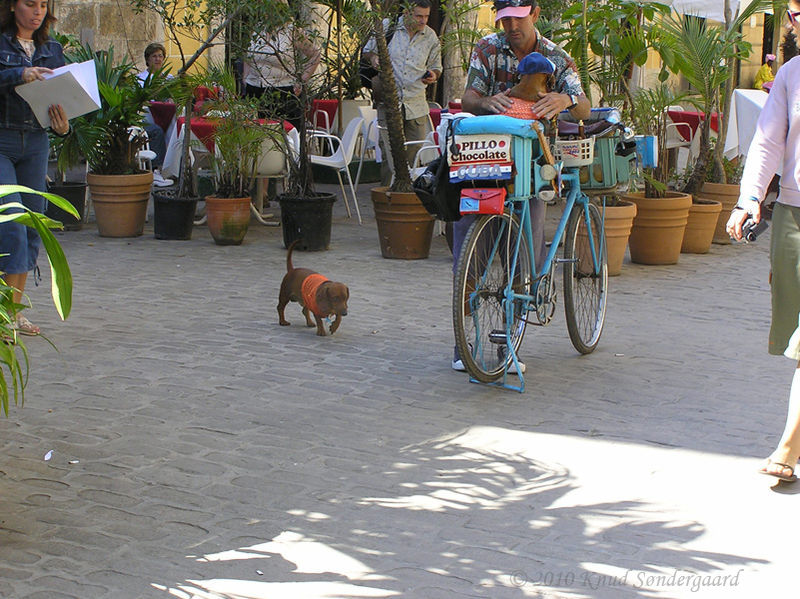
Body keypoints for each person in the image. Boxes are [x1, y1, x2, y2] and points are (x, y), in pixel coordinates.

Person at [451, 0, 590, 372]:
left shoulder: (555, 57)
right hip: (486, 162)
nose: (511, 25)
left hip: (532, 166)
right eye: (504, 19)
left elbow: (585, 108)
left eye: (517, 17)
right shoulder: (487, 48)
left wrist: (566, 98)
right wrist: (485, 102)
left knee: (524, 252)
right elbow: (468, 97)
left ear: (535, 14)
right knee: (468, 248)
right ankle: (461, 343)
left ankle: (509, 344)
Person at [726, 0, 800, 483]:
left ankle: (788, 448)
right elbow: (769, 142)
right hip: (795, 216)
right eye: (796, 15)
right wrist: (749, 197)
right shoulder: (792, 75)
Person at [0, 0, 69, 336]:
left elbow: (67, 98)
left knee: (32, 225)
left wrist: (63, 125)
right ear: (13, 6)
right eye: (30, 3)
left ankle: (13, 312)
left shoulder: (52, 49)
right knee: (10, 223)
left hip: (37, 142)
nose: (37, 10)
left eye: (43, 4)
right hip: (2, 139)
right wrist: (20, 74)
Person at [362, 0, 442, 186]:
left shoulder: (430, 36)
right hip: (389, 102)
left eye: (426, 16)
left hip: (416, 105)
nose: (423, 21)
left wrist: (432, 75)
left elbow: (437, 67)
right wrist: (374, 58)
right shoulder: (388, 28)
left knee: (413, 156)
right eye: (419, 16)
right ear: (406, 13)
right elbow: (367, 51)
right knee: (391, 159)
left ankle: (406, 196)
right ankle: (389, 199)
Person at [243, 8, 320, 130]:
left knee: (284, 138)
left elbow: (315, 54)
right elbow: (247, 56)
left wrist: (302, 79)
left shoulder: (291, 31)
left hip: (283, 92)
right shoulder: (256, 30)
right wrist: (245, 78)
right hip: (254, 91)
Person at [137, 42, 173, 186]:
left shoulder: (169, 79)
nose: (158, 59)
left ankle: (172, 169)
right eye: (154, 56)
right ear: (147, 59)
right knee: (156, 131)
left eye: (160, 56)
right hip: (146, 117)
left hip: (169, 115)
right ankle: (158, 170)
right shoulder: (140, 79)